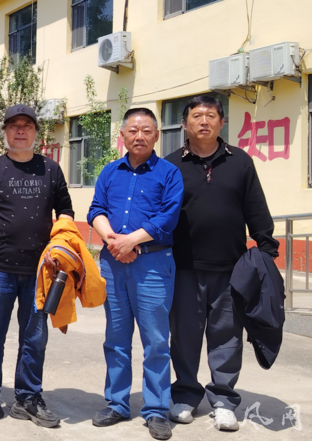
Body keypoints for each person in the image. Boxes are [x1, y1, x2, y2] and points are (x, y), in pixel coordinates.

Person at [165, 95, 279, 431]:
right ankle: (185, 395)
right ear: (185, 123)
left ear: (222, 122)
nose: (204, 121)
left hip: (231, 268)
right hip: (184, 267)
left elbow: (255, 209)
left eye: (211, 115)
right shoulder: (171, 165)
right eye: (196, 115)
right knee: (184, 335)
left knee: (227, 336)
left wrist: (267, 252)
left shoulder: (240, 162)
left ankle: (224, 399)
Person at [0, 104, 74, 429]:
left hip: (40, 272)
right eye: (14, 125)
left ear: (36, 132)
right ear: (5, 132)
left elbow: (65, 212)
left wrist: (59, 248)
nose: (21, 131)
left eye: (27, 125)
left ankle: (28, 398)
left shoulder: (51, 170)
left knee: (34, 338)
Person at [88, 108, 184, 440]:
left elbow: (168, 217)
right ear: (123, 135)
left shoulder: (169, 173)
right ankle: (117, 403)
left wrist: (131, 241)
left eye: (146, 130)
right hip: (113, 264)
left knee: (155, 340)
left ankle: (156, 409)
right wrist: (114, 241)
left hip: (153, 264)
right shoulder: (110, 171)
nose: (139, 136)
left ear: (156, 135)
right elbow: (96, 210)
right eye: (132, 130)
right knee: (116, 338)